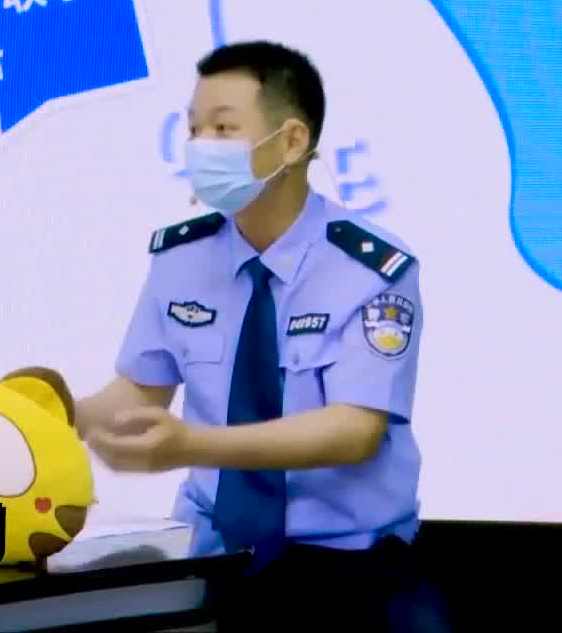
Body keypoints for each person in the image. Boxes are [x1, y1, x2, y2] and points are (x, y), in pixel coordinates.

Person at [75, 42, 450, 632]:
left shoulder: (370, 268)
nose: (201, 147)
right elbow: (137, 392)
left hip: (347, 564)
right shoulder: (181, 257)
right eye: (194, 130)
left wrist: (191, 445)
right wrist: (44, 413)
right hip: (212, 550)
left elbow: (353, 431)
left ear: (292, 142)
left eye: (223, 129)